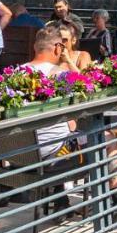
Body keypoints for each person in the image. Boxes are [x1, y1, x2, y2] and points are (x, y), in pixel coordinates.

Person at [22, 29, 76, 160]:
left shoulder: (16, 72)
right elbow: (86, 89)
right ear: (58, 48)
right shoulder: (60, 74)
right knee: (104, 139)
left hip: (19, 152)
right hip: (54, 150)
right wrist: (69, 61)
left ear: (35, 47)